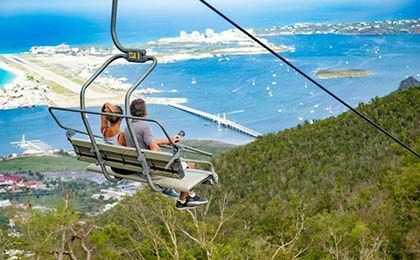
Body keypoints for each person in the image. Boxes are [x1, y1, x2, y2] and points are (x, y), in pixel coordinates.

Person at [125, 98, 208, 210]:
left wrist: (167, 141)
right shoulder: (145, 127)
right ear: (145, 113)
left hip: (138, 166)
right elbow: (153, 148)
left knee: (183, 164)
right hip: (152, 168)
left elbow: (146, 142)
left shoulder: (128, 128)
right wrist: (159, 152)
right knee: (191, 165)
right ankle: (184, 199)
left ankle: (188, 196)